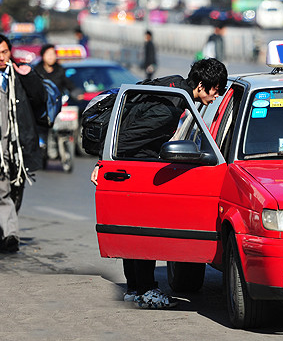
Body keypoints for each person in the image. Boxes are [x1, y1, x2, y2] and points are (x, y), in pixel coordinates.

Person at [90, 58, 228, 308]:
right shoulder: (168, 109)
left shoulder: (173, 85)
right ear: (201, 84)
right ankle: (146, 290)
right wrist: (103, 163)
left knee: (134, 233)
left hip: (130, 169)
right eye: (216, 88)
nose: (216, 95)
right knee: (144, 235)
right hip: (138, 170)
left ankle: (134, 289)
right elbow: (127, 138)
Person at [0, 34, 46, 252]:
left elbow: (40, 98)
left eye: (5, 52)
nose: (1, 57)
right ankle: (11, 235)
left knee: (17, 190)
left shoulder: (20, 73)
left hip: (20, 145)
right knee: (2, 191)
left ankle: (1, 233)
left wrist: (30, 76)